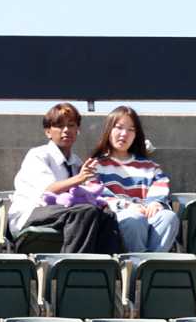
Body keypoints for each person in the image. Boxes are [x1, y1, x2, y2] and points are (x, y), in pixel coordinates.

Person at [10, 102, 122, 254]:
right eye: (59, 126)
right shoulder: (38, 155)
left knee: (107, 215)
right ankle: (73, 268)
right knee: (85, 212)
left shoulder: (76, 162)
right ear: (48, 131)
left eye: (71, 125)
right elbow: (48, 190)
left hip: (64, 214)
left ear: (78, 130)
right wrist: (81, 178)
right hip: (31, 213)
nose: (66, 130)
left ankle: (104, 271)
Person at [86, 104, 179, 252]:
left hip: (147, 214)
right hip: (118, 218)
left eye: (131, 130)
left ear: (137, 135)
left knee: (168, 217)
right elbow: (96, 196)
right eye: (119, 127)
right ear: (108, 130)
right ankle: (136, 266)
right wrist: (127, 206)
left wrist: (155, 204)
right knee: (134, 219)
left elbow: (160, 188)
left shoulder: (150, 167)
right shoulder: (95, 166)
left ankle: (150, 267)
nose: (124, 134)